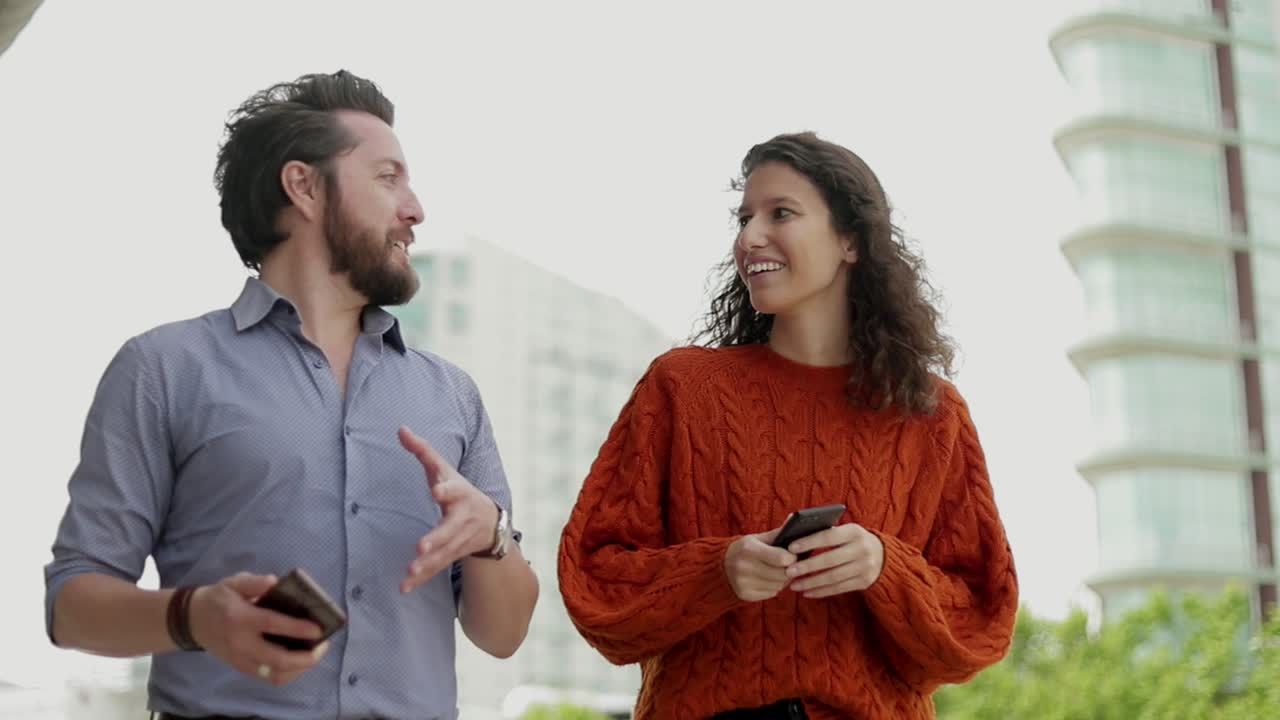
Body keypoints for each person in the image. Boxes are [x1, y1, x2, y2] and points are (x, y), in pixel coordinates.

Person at [43, 70, 538, 720]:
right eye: (387, 177)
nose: (415, 209)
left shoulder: (451, 394)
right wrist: (194, 616)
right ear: (304, 186)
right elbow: (72, 605)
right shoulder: (163, 369)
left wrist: (492, 535)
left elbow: (502, 636)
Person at [558, 132, 1017, 720]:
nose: (750, 237)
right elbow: (593, 582)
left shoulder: (930, 413)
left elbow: (981, 623)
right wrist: (717, 571)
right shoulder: (681, 387)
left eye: (781, 213)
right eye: (744, 217)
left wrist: (885, 567)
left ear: (850, 240)